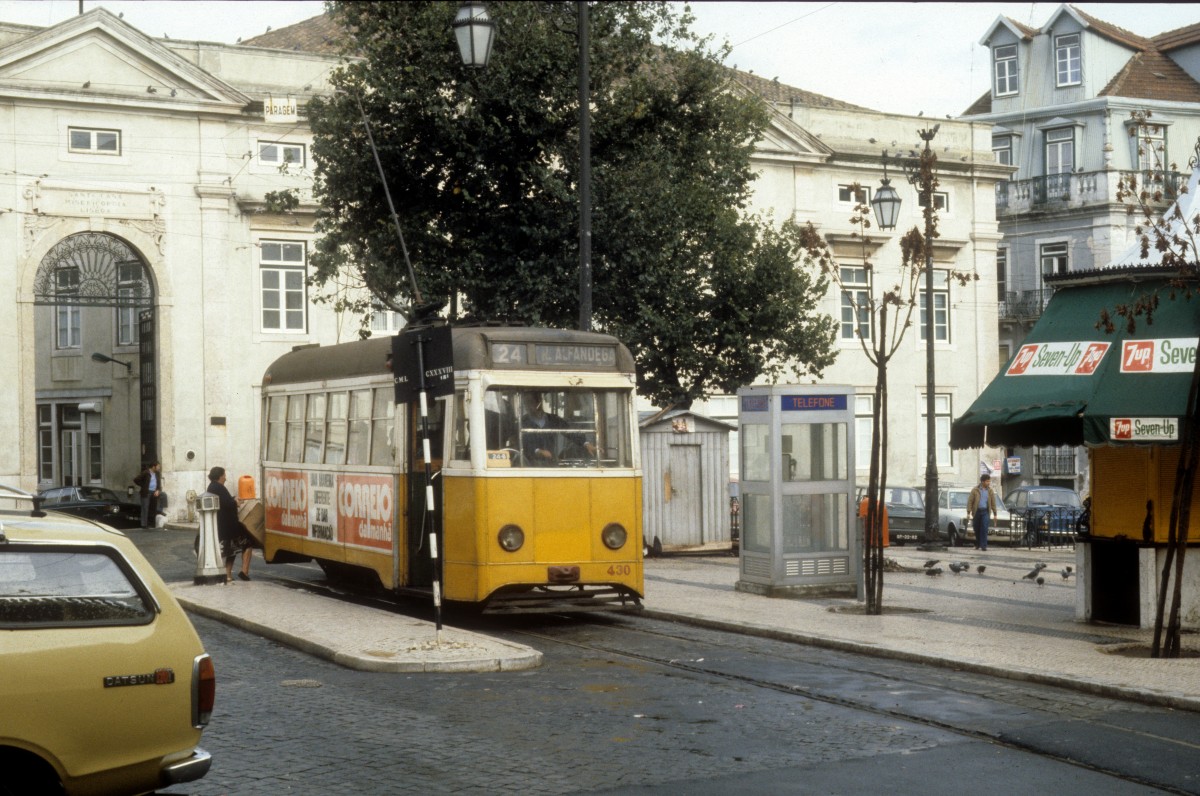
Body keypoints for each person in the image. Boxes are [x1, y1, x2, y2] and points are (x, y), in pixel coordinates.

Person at [517, 392, 593, 465]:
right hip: (529, 465)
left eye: (530, 402)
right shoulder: (522, 422)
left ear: (539, 403)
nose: (528, 407)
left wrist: (586, 443)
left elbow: (569, 431)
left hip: (551, 462)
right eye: (525, 403)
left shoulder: (553, 419)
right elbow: (521, 442)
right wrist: (537, 451)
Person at [208, 466, 253, 583]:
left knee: (231, 550)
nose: (225, 478)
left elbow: (224, 501)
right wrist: (235, 502)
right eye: (224, 475)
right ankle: (244, 571)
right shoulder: (219, 487)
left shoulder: (213, 487)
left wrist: (233, 500)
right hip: (229, 526)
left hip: (224, 525)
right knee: (247, 542)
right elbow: (227, 504)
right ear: (219, 476)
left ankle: (228, 575)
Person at [967, 473, 1000, 551]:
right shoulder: (975, 490)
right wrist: (968, 512)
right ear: (982, 482)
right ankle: (978, 544)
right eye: (987, 481)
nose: (989, 483)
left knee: (984, 528)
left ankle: (984, 546)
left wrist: (995, 513)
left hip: (985, 512)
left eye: (989, 481)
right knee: (977, 528)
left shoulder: (990, 490)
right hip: (977, 512)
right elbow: (970, 501)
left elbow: (993, 502)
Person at [133, 461, 163, 529]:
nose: (159, 468)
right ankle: (144, 524)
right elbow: (136, 479)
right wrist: (143, 485)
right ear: (153, 466)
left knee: (153, 508)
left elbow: (158, 483)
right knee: (145, 508)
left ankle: (152, 524)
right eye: (158, 466)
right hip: (146, 492)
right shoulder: (146, 473)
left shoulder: (157, 474)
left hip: (154, 492)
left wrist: (158, 490)